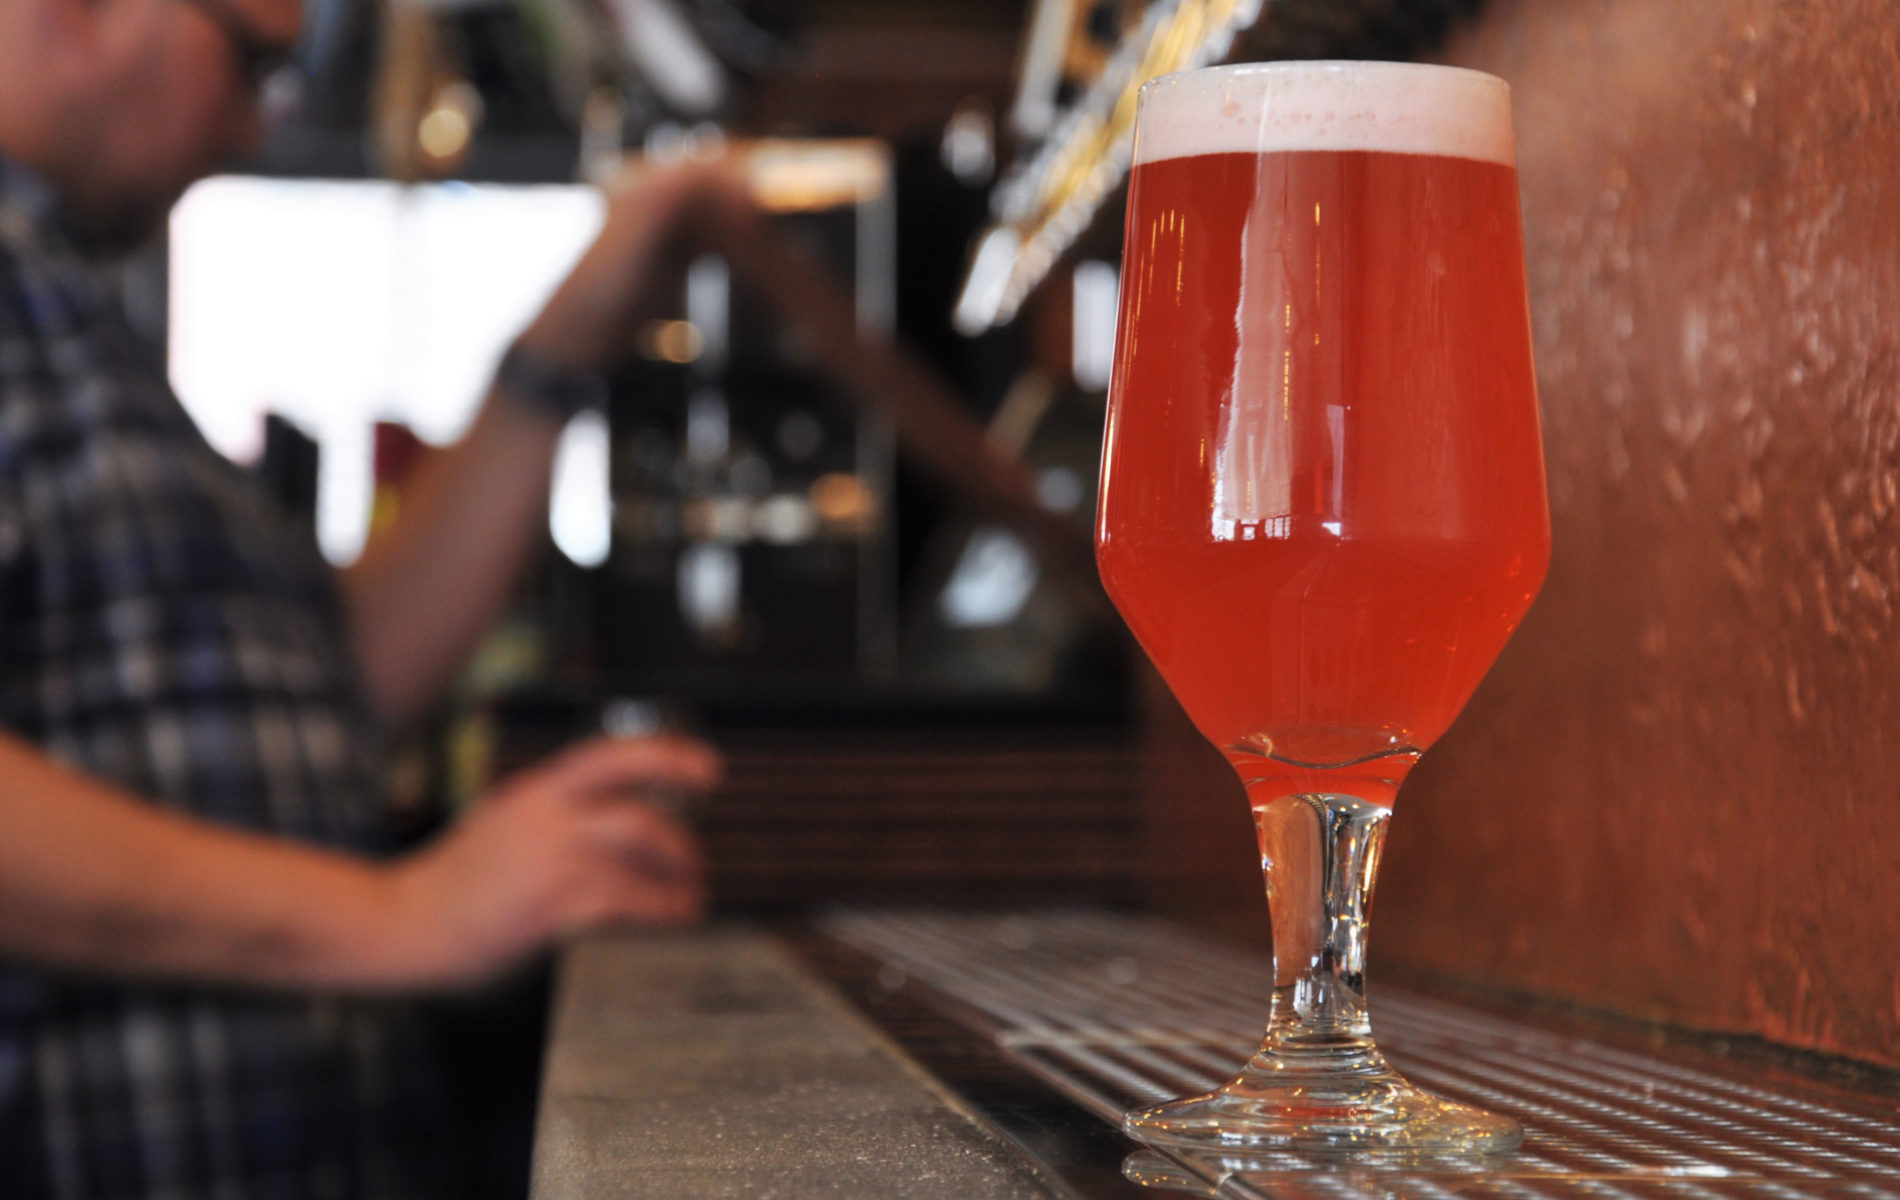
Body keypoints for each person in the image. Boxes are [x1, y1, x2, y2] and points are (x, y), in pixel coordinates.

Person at [0, 0, 748, 1194]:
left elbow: (332, 683)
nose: (255, 127)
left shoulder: (67, 309)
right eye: (250, 62)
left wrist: (568, 336)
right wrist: (402, 914)